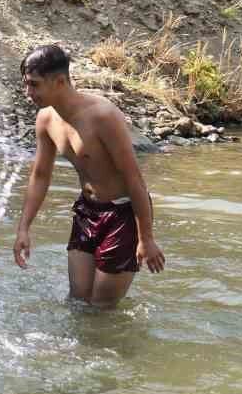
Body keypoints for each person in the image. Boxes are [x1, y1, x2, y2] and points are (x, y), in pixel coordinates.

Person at [12, 43, 167, 307]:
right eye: (26, 84)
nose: (28, 93)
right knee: (78, 301)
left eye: (34, 85)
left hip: (123, 215)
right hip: (87, 211)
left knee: (102, 307)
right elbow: (40, 176)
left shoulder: (103, 116)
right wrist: (23, 228)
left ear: (60, 81)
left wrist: (146, 239)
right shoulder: (46, 119)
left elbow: (134, 180)